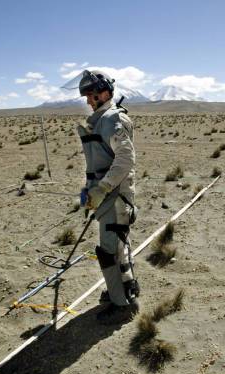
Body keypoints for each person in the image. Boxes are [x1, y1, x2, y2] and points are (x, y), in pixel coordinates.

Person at [75, 69, 140, 323]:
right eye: (87, 97)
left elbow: (125, 159)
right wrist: (89, 194)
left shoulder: (113, 120)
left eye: (91, 96)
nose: (88, 101)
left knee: (109, 251)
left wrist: (101, 189)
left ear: (105, 93)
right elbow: (98, 163)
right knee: (118, 247)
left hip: (114, 198)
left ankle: (120, 304)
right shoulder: (101, 120)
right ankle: (125, 290)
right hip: (106, 197)